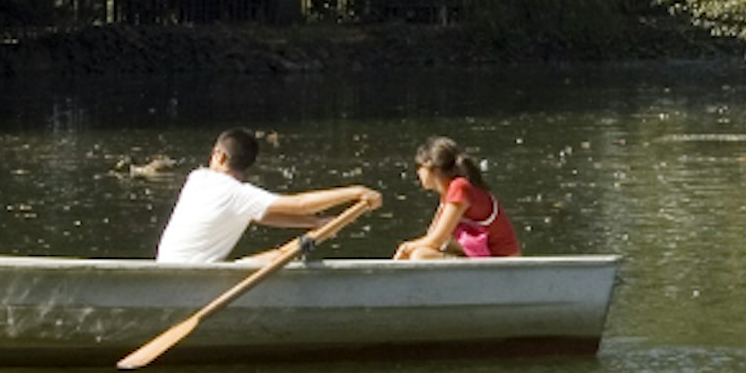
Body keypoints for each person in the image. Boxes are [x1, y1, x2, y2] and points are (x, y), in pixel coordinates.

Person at [155, 129, 380, 265]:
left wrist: (315, 223)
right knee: (282, 257)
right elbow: (299, 205)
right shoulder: (239, 194)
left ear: (220, 156)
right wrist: (355, 191)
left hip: (167, 267)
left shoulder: (197, 178)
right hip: (195, 278)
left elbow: (261, 216)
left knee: (280, 255)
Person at [395, 137, 523, 260]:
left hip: (502, 265)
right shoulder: (449, 193)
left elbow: (435, 241)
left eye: (419, 167)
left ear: (430, 166)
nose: (418, 173)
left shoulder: (460, 187)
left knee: (421, 256)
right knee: (419, 253)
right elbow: (433, 237)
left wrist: (406, 247)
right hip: (483, 260)